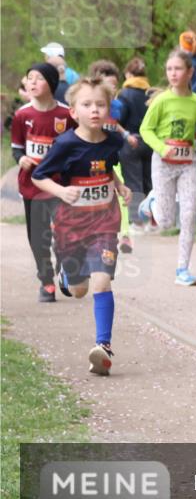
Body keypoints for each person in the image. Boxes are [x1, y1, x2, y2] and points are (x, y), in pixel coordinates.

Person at [31, 77, 131, 375]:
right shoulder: (65, 145)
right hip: (71, 227)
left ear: (109, 109)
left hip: (104, 224)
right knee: (78, 290)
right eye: (87, 105)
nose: (94, 110)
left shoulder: (113, 141)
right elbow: (39, 175)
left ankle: (104, 347)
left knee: (102, 280)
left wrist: (120, 185)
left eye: (101, 104)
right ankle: (65, 275)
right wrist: (61, 192)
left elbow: (108, 167)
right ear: (74, 112)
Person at [137, 48, 196, 286]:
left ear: (190, 72)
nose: (173, 73)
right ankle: (151, 203)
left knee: (190, 215)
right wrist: (162, 148)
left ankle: (182, 269)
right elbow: (145, 130)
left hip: (187, 164)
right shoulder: (161, 101)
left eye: (178, 68)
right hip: (163, 164)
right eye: (169, 69)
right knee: (165, 223)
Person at [10, 62, 75, 302]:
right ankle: (46, 282)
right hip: (32, 185)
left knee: (64, 232)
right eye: (29, 78)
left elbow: (77, 143)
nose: (32, 82)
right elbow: (16, 147)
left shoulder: (67, 114)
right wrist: (22, 158)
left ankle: (65, 270)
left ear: (51, 83)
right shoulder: (22, 115)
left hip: (59, 185)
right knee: (37, 238)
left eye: (38, 78)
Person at [89, 60, 134, 254]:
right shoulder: (87, 108)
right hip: (90, 161)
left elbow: (113, 124)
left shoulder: (116, 106)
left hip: (113, 159)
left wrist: (126, 135)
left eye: (115, 86)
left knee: (121, 193)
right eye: (109, 86)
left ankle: (124, 235)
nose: (113, 90)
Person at [117, 57, 155, 235]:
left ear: (128, 74)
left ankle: (137, 222)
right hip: (150, 142)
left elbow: (119, 119)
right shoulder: (151, 93)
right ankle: (152, 221)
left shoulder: (124, 94)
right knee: (150, 182)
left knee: (133, 182)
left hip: (130, 141)